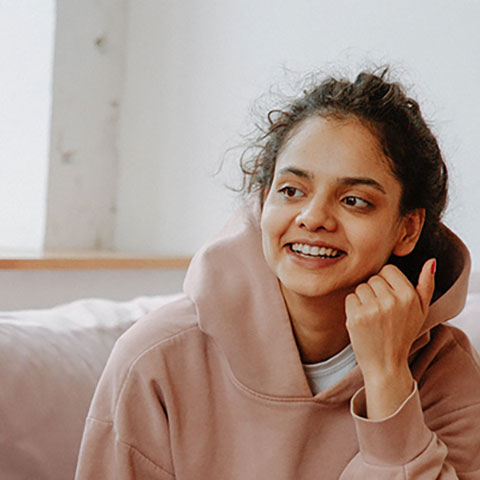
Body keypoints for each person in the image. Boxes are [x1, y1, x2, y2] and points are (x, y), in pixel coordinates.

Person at [75, 69, 480, 479]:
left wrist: (387, 377)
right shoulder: (155, 361)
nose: (313, 217)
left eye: (355, 200)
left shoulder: (444, 371)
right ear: (264, 197)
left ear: (407, 228)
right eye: (291, 191)